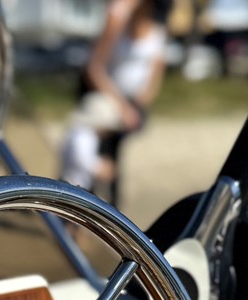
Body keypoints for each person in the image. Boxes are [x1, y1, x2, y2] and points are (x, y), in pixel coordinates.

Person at [59, 0, 172, 207]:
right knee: (89, 144)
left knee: (109, 152)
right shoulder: (118, 18)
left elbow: (154, 79)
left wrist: (136, 106)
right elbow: (94, 67)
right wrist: (121, 105)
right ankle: (84, 199)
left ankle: (103, 203)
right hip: (108, 99)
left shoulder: (156, 32)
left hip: (129, 105)